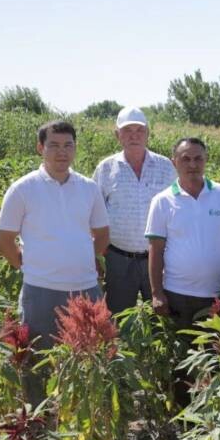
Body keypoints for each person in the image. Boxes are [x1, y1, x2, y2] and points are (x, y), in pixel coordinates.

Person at [0, 120, 110, 406]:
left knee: (89, 357)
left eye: (68, 145)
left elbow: (103, 236)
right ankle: (39, 422)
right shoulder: (23, 189)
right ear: (40, 148)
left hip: (85, 288)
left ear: (75, 149)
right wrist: (30, 266)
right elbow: (4, 241)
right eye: (54, 146)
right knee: (37, 360)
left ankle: (83, 416)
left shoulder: (88, 188)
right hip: (41, 290)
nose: (62, 152)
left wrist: (82, 261)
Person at [145, 138, 220, 405]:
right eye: (185, 158)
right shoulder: (162, 201)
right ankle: (185, 419)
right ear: (174, 162)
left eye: (198, 158)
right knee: (184, 362)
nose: (192, 164)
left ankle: (219, 414)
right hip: (179, 295)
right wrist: (157, 293)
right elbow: (156, 250)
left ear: (206, 160)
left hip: (219, 294)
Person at [93, 106, 176, 315]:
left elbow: (178, 208)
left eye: (139, 130)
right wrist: (93, 254)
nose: (134, 136)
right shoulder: (105, 169)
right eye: (127, 130)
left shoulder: (165, 167)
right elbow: (92, 213)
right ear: (117, 135)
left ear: (147, 133)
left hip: (158, 258)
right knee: (119, 320)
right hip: (118, 258)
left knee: (162, 319)